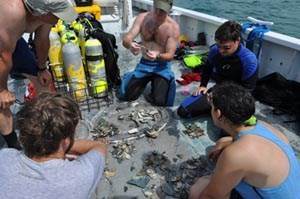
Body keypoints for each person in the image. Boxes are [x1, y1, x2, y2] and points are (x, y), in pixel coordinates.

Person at [189, 82, 300, 199]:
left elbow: (211, 196)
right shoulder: (264, 126)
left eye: (211, 107)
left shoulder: (235, 154)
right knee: (222, 142)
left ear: (218, 114)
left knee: (198, 189)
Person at [0, 0, 78, 149]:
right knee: (2, 103)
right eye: (57, 14)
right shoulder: (13, 13)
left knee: (40, 79)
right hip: (3, 46)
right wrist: (2, 90)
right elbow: (3, 57)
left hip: (9, 42)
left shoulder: (45, 14)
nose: (59, 18)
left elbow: (42, 40)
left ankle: (51, 124)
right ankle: (12, 145)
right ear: (43, 11)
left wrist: (41, 68)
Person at [0, 92, 108, 198]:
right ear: (65, 141)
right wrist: (57, 143)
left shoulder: (4, 158)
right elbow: (99, 147)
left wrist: (9, 134)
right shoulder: (81, 174)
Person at [177, 20, 258, 118]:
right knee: (184, 111)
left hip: (238, 98)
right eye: (219, 46)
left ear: (238, 40)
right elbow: (207, 69)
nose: (221, 51)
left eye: (226, 48)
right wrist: (203, 86)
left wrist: (224, 100)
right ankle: (214, 110)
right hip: (218, 91)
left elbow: (247, 91)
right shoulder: (215, 51)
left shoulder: (249, 60)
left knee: (227, 131)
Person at [119, 0, 180, 106]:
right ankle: (133, 77)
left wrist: (158, 55)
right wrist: (130, 45)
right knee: (128, 95)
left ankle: (158, 84)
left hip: (161, 66)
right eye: (157, 8)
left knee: (160, 101)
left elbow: (170, 56)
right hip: (144, 64)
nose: (158, 13)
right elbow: (126, 39)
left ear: (169, 9)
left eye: (162, 11)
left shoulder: (173, 28)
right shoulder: (142, 18)